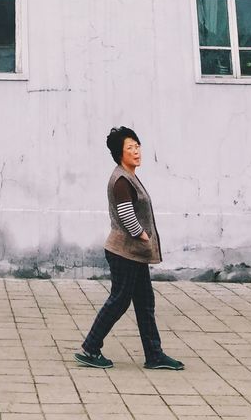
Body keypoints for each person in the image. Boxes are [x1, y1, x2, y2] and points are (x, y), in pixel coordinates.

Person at [74, 126, 184, 371]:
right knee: (119, 301)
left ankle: (154, 354)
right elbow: (125, 212)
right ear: (119, 154)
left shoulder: (129, 175)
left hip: (133, 253)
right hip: (124, 252)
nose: (136, 151)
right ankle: (89, 348)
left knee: (145, 302)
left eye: (137, 146)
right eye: (130, 148)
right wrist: (140, 234)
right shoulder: (121, 179)